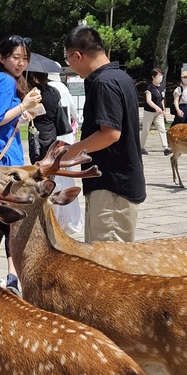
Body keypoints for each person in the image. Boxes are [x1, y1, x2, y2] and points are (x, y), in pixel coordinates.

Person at [62, 25, 145, 243]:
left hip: (112, 189)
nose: (69, 64)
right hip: (116, 184)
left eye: (68, 58)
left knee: (107, 263)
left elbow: (110, 134)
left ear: (78, 55)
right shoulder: (121, 77)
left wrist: (71, 151)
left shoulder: (104, 83)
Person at [0, 35, 41, 295]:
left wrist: (21, 113)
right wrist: (24, 105)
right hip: (5, 166)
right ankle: (10, 279)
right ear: (1, 57)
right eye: (15, 57)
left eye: (24, 58)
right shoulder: (4, 80)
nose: (21, 63)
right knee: (11, 221)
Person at [47, 72, 84, 235]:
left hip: (52, 137)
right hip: (66, 135)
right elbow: (74, 111)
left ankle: (55, 215)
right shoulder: (62, 87)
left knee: (54, 177)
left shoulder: (46, 89)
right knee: (66, 174)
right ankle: (69, 217)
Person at [27, 71, 62, 163]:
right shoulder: (54, 92)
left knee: (36, 159)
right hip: (51, 128)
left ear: (35, 77)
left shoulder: (33, 93)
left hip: (36, 128)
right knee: (50, 160)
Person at [140, 68, 171, 156]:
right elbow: (148, 100)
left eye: (161, 75)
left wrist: (163, 110)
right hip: (149, 112)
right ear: (153, 77)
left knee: (162, 129)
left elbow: (162, 100)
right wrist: (156, 107)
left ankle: (165, 147)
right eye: (159, 75)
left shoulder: (161, 87)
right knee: (146, 130)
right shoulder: (149, 88)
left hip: (159, 113)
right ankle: (141, 147)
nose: (161, 77)